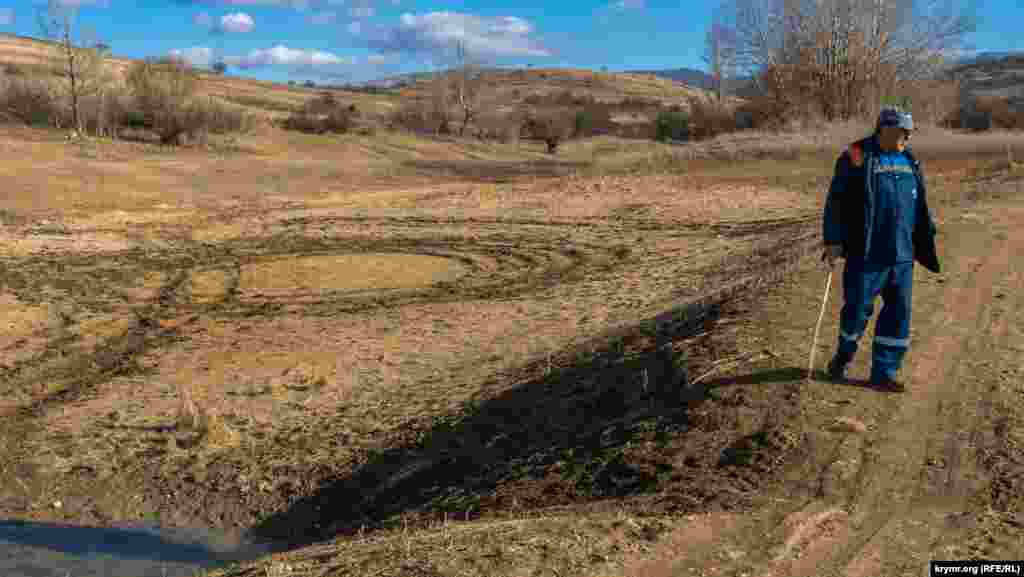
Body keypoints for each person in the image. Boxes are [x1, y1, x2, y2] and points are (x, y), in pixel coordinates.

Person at [821, 107, 941, 392]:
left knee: (898, 313)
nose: (907, 137)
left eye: (909, 133)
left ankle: (884, 373)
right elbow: (836, 200)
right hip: (866, 254)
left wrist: (926, 231)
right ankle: (843, 357)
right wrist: (833, 240)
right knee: (856, 311)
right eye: (903, 132)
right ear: (884, 129)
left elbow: (919, 201)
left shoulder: (909, 159)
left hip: (902, 255)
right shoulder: (856, 154)